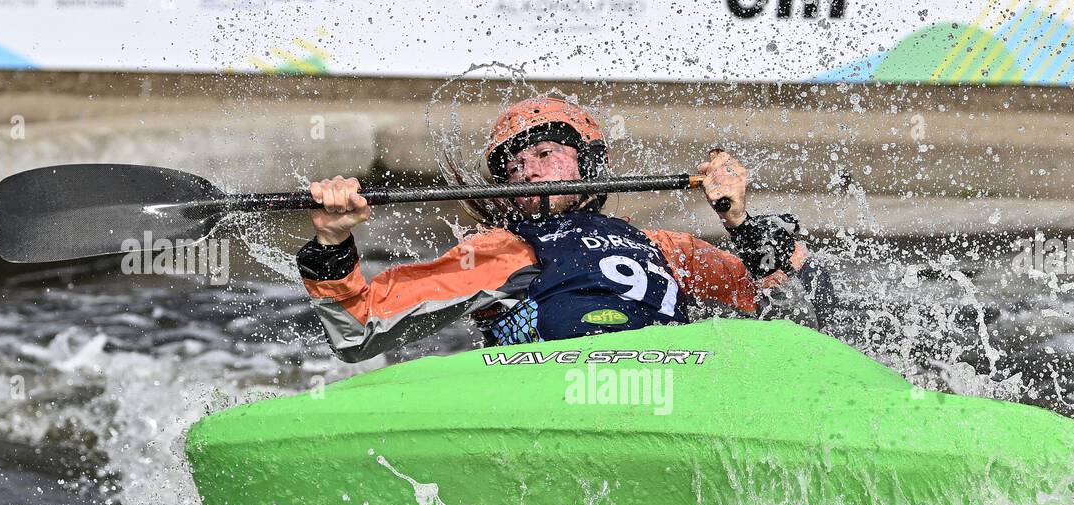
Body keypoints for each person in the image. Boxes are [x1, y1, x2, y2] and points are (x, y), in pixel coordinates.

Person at [297, 96, 804, 360]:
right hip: (546, 396)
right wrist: (333, 240)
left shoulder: (664, 247)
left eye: (544, 155)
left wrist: (737, 217)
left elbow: (788, 300)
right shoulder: (499, 251)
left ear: (588, 164)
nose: (529, 172)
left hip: (671, 385)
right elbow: (358, 332)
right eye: (513, 167)